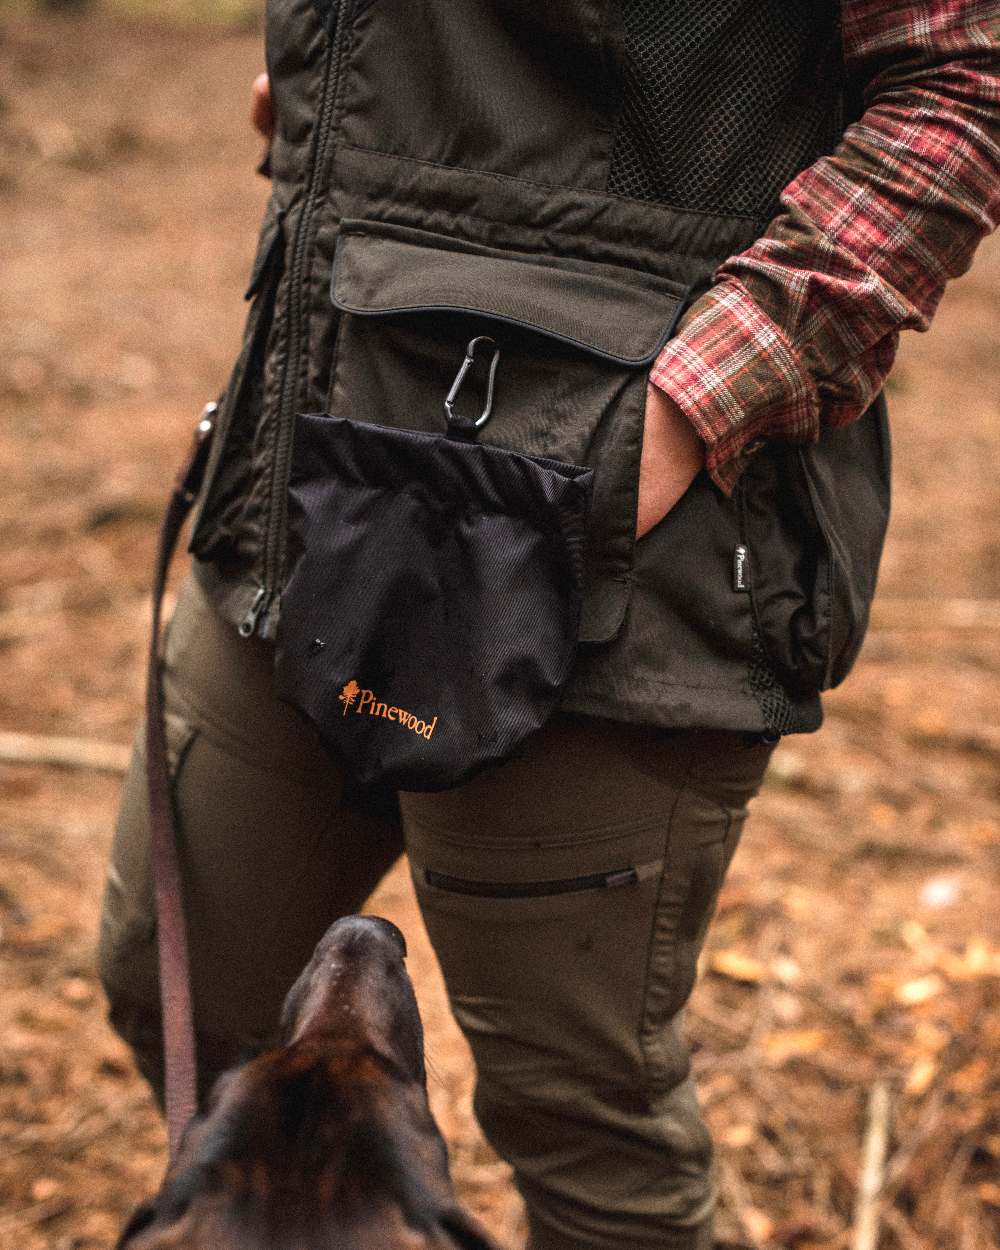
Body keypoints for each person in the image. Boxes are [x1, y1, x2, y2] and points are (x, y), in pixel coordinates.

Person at [98, 4, 1000, 1247]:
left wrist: (683, 414)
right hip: (310, 459)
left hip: (598, 552)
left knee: (585, 1140)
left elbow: (963, 82)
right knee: (178, 989)